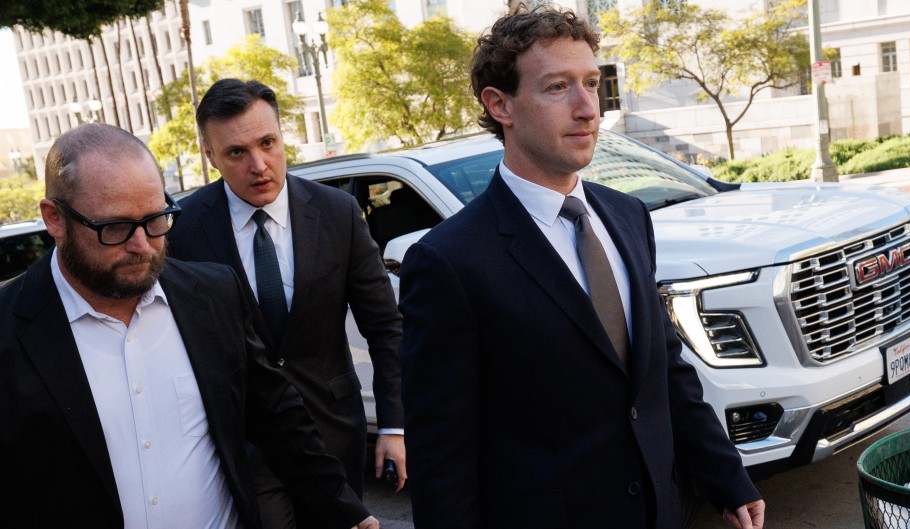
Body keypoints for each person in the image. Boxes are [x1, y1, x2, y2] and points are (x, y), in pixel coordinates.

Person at [398, 7, 764, 529]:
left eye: (592, 82)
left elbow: (665, 367)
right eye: (557, 88)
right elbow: (442, 456)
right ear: (499, 104)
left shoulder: (627, 215)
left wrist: (724, 473)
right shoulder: (448, 261)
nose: (587, 107)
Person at [0, 123, 379, 529]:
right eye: (114, 228)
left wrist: (345, 510)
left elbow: (276, 417)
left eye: (156, 220)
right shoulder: (9, 329)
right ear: (54, 219)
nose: (142, 245)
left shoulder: (211, 295)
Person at [167, 79, 406, 527]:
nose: (259, 165)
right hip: (247, 442)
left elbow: (385, 327)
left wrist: (393, 425)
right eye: (236, 152)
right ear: (209, 154)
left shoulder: (337, 213)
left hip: (333, 430)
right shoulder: (182, 231)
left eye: (268, 143)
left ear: (282, 135)